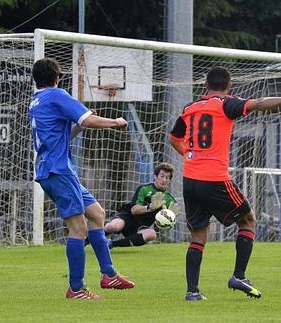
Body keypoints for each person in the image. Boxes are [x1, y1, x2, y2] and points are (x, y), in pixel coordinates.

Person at [169, 66, 281, 301]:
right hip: (214, 178)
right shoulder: (225, 104)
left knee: (198, 235)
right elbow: (258, 103)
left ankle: (192, 291)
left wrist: (190, 155)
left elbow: (174, 138)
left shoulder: (189, 108)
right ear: (229, 87)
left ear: (205, 85)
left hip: (190, 179)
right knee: (248, 220)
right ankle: (239, 276)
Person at [28, 58, 135, 300]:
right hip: (58, 170)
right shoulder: (56, 95)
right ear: (57, 78)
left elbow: (63, 135)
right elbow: (87, 119)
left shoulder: (36, 102)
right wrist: (114, 123)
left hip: (55, 168)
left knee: (97, 213)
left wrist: (79, 126)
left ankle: (109, 275)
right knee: (78, 227)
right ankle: (76, 288)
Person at [104, 162, 180, 248]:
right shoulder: (144, 189)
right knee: (115, 226)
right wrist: (150, 207)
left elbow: (166, 223)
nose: (164, 180)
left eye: (167, 177)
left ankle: (111, 244)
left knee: (151, 234)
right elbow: (134, 210)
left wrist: (170, 218)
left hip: (141, 226)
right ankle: (90, 238)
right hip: (127, 217)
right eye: (162, 176)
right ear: (155, 176)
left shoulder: (169, 199)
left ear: (169, 180)